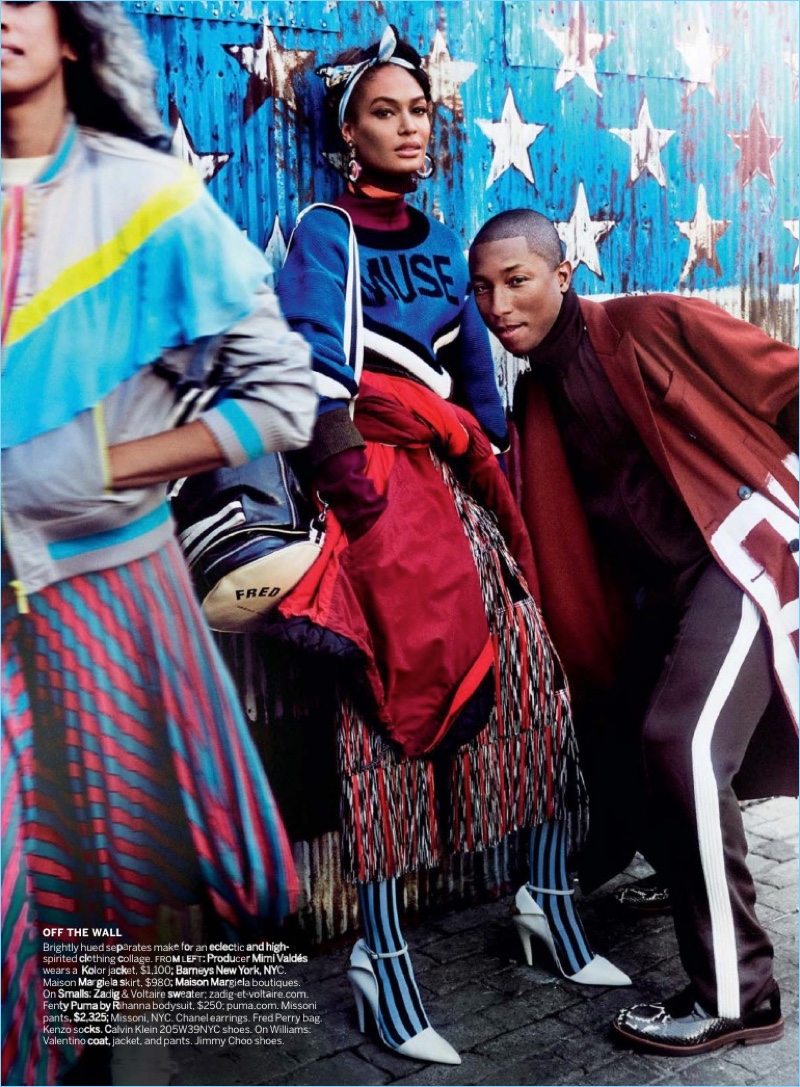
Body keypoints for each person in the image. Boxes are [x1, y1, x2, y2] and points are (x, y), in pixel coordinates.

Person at [264, 26, 630, 1068]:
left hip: (461, 497)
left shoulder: (444, 235)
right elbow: (314, 389)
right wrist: (369, 522)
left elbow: (478, 392)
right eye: (384, 111)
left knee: (534, 689)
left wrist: (496, 478)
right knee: (385, 727)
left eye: (419, 110)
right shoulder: (325, 231)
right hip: (377, 505)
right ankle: (381, 965)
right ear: (346, 132)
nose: (409, 127)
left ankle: (546, 902)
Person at [0, 3, 316, 1084]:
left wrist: (109, 464)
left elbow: (281, 399)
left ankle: (139, 1063)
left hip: (102, 591)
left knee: (117, 863)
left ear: (74, 36)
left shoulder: (146, 200)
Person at [468, 207, 798, 1056]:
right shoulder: (536, 393)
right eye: (483, 289)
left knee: (680, 743)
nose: (499, 304)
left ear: (563, 275)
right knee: (618, 733)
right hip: (670, 595)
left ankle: (740, 995)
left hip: (742, 556)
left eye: (517, 280)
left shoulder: (649, 323)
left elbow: (788, 382)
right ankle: (687, 876)